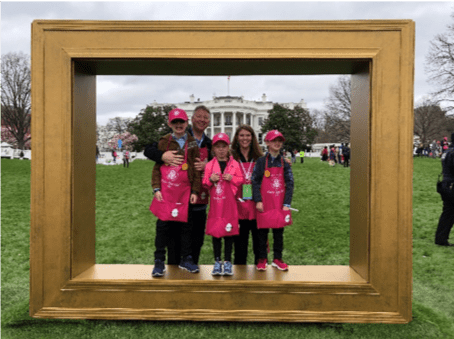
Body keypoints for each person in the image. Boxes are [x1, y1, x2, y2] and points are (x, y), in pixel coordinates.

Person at [145, 105, 212, 265]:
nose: (202, 120)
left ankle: (190, 272)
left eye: (205, 117)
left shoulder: (210, 143)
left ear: (209, 122)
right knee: (173, 241)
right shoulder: (175, 137)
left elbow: (223, 163)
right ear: (192, 119)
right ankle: (173, 275)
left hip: (199, 199)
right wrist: (162, 156)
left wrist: (207, 166)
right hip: (177, 199)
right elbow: (148, 150)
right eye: (199, 116)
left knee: (195, 242)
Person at [252, 130, 294, 271]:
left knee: (278, 233)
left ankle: (277, 258)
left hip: (279, 203)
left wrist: (287, 204)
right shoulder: (261, 161)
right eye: (274, 140)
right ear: (267, 143)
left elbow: (290, 183)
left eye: (280, 140)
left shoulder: (285, 163)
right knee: (262, 233)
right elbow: (255, 182)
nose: (277, 143)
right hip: (264, 203)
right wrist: (257, 200)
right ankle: (262, 258)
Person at [203, 133, 244, 275]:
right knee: (216, 232)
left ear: (228, 148)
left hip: (229, 205)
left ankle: (227, 261)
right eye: (218, 147)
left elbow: (241, 180)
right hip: (215, 205)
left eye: (224, 146)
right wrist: (210, 179)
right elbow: (205, 184)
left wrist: (232, 178)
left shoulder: (234, 164)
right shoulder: (209, 165)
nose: (221, 150)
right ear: (213, 148)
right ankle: (217, 261)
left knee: (228, 232)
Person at [231, 125, 263, 266]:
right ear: (237, 138)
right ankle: (239, 278)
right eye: (242, 135)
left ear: (252, 138)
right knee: (240, 245)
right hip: (238, 205)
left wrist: (284, 164)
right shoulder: (231, 157)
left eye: (248, 135)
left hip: (256, 205)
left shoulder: (259, 158)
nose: (245, 138)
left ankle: (260, 276)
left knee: (259, 244)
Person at [435, 132, 454, 247]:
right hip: (452, 184)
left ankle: (441, 238)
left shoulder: (447, 152)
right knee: (448, 213)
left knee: (448, 213)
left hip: (446, 184)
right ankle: (441, 238)